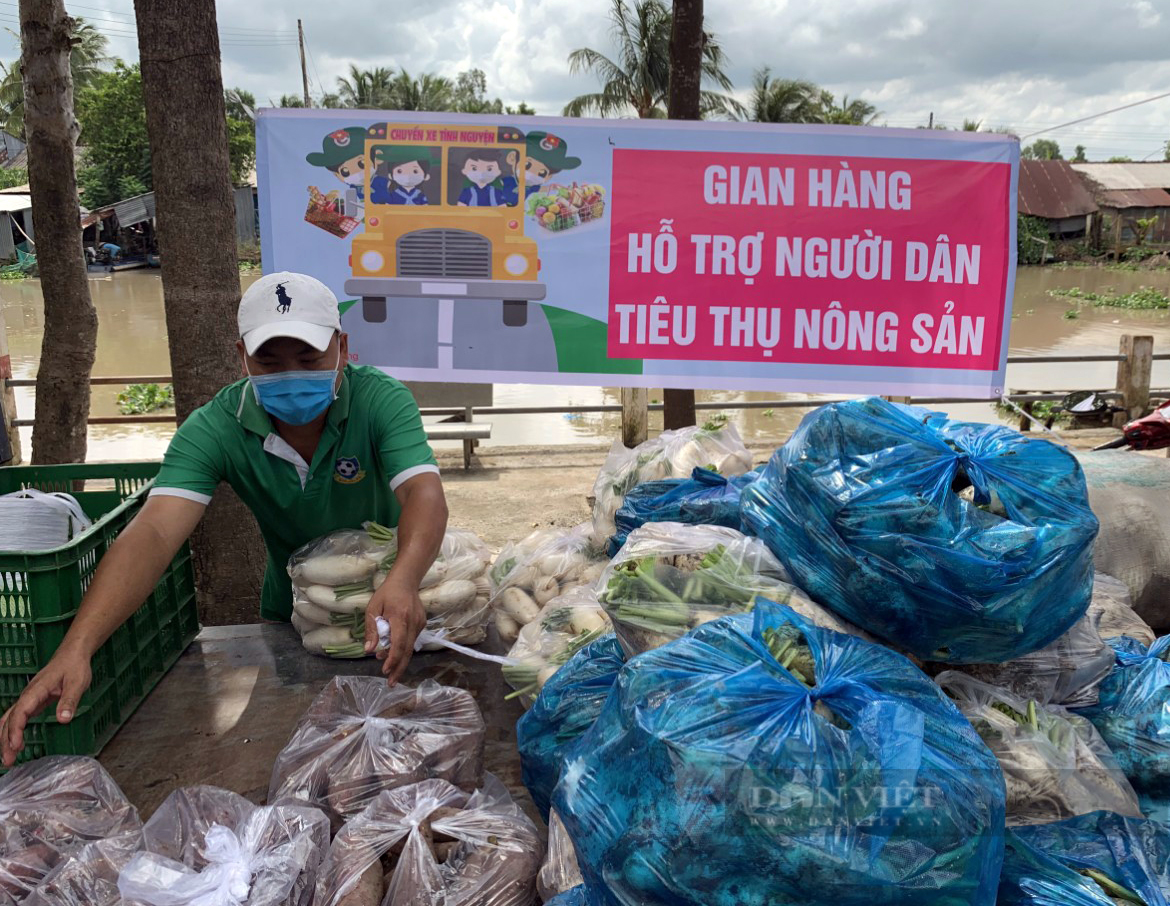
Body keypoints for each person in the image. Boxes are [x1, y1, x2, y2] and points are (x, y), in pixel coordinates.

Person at [0, 271, 449, 767]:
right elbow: (153, 531)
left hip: (396, 606)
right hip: (296, 616)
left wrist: (404, 578)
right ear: (241, 357)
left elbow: (422, 492)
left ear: (341, 347)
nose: (291, 375)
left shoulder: (380, 401)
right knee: (297, 759)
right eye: (269, 361)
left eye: (308, 358)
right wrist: (76, 648)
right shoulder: (216, 428)